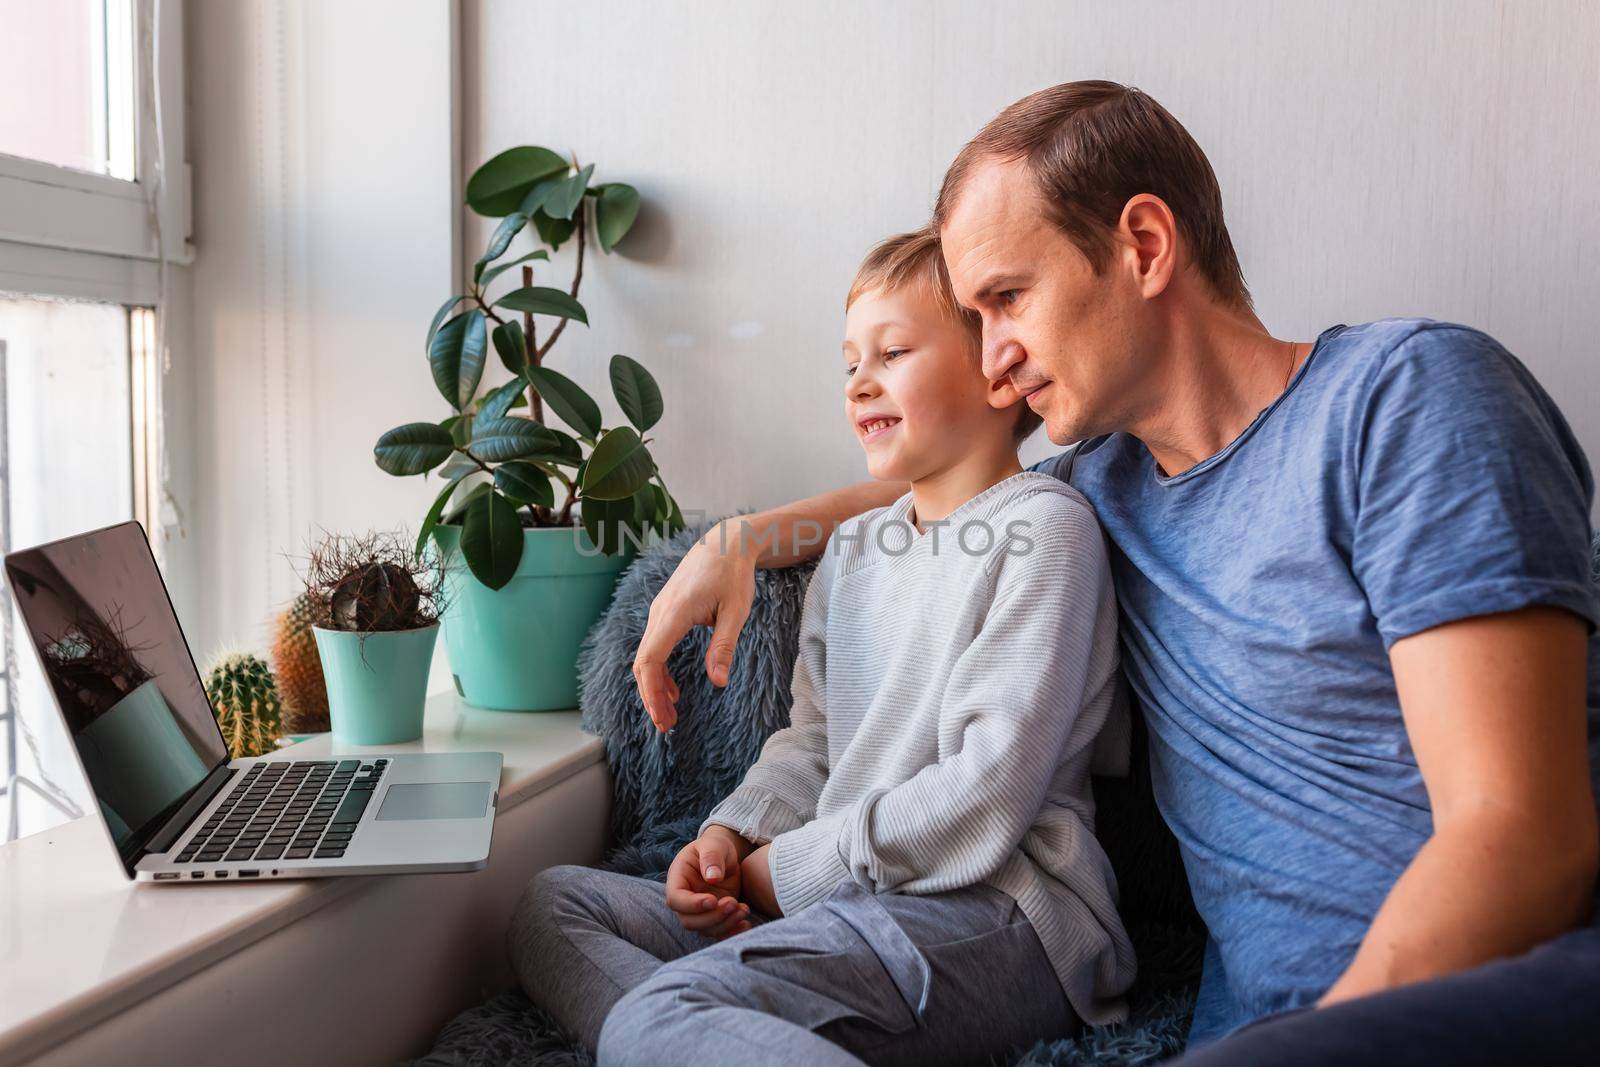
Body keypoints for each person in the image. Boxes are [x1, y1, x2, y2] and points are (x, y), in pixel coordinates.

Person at [633, 81, 1600, 1064]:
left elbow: (1525, 835)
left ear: (1142, 244)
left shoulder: (1408, 399)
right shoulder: (1098, 488)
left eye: (1006, 299)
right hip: (1254, 1025)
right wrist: (739, 539)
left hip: (1478, 1000)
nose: (995, 365)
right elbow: (933, 491)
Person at [510, 229, 1138, 1066]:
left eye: (893, 351)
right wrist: (730, 839)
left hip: (1000, 914)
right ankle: (693, 1035)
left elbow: (986, 794)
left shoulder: (1047, 532)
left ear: (996, 367)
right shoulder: (850, 551)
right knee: (552, 905)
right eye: (850, 363)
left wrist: (787, 872)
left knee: (653, 1016)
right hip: (845, 901)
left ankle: (675, 1030)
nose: (859, 383)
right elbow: (812, 743)